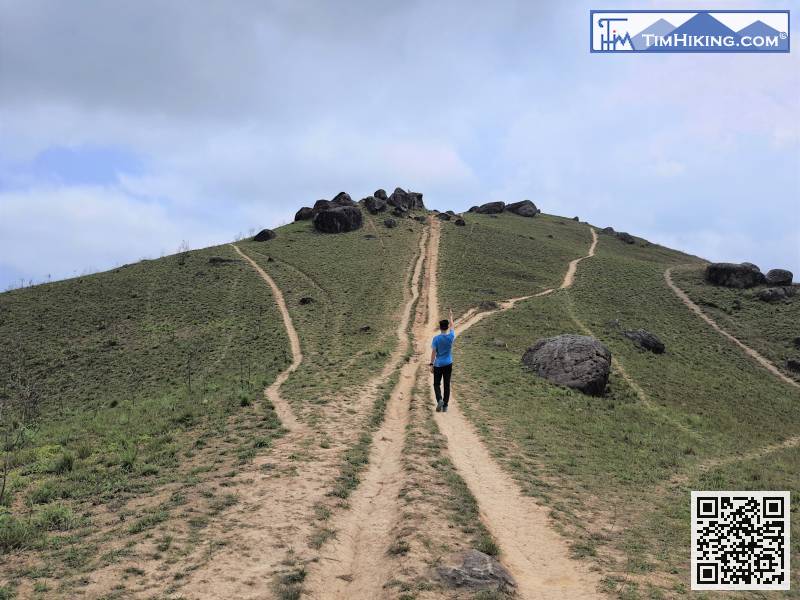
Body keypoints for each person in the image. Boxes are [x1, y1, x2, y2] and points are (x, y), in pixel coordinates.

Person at [430, 307, 455, 413]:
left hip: (438, 364)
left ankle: (439, 399)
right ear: (447, 327)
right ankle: (445, 406)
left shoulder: (436, 339)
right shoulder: (451, 336)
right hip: (448, 363)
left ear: (440, 327)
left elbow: (434, 352)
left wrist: (431, 364)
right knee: (447, 384)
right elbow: (453, 326)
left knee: (436, 384)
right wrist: (450, 317)